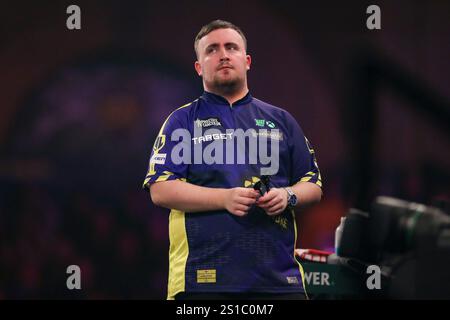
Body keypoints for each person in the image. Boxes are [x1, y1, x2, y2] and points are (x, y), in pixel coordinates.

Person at [143, 20, 322, 300]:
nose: (223, 54)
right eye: (212, 49)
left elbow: (313, 184)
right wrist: (224, 198)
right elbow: (161, 188)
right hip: (202, 280)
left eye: (231, 47)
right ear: (199, 67)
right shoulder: (182, 120)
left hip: (277, 281)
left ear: (247, 60)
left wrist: (288, 196)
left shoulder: (282, 121)